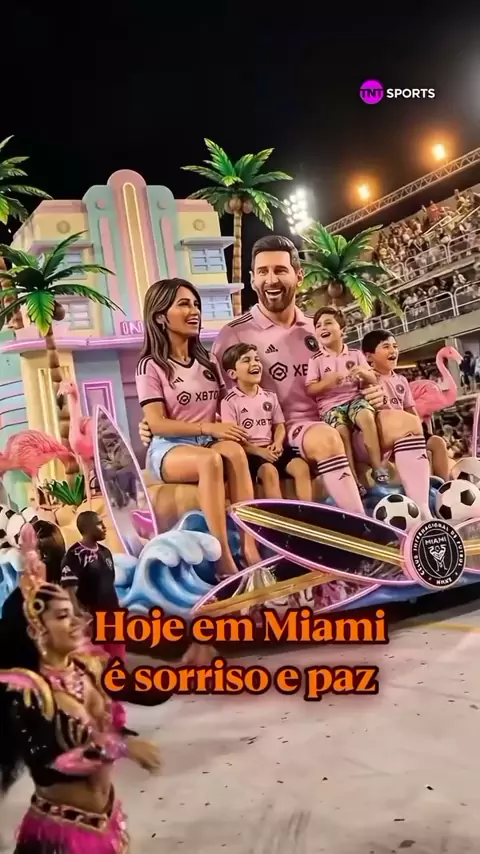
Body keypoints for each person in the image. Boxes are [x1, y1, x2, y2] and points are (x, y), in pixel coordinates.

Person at [139, 236, 386, 511]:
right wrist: (158, 423)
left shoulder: (319, 327)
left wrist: (375, 391)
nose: (271, 280)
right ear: (252, 279)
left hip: (339, 418)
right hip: (290, 435)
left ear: (298, 275)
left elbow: (353, 375)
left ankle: (411, 510)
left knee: (400, 425)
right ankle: (356, 522)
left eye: (280, 270)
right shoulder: (232, 335)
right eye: (262, 272)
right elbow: (220, 402)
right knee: (327, 439)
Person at [0, 523, 161, 853]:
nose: (78, 621)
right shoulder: (29, 693)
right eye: (63, 616)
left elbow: (141, 689)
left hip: (105, 825)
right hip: (58, 838)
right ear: (36, 631)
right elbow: (56, 761)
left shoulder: (87, 667)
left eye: (74, 613)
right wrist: (122, 747)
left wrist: (186, 669)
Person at [135, 277, 261, 579]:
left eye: (195, 305)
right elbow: (157, 423)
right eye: (183, 304)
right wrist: (208, 428)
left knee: (234, 453)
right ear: (160, 316)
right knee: (210, 461)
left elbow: (225, 407)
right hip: (169, 448)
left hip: (206, 440)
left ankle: (251, 547)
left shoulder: (209, 361)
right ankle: (223, 559)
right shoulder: (150, 365)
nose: (194, 311)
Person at [305, 307, 389, 492]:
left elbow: (373, 378)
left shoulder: (355, 354)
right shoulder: (316, 360)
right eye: (318, 325)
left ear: (342, 330)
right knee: (341, 431)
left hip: (355, 399)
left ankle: (377, 466)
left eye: (328, 323)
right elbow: (310, 389)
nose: (322, 327)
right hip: (331, 406)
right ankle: (353, 480)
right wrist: (327, 382)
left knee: (366, 416)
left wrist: (364, 374)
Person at [220, 342, 313, 500]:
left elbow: (279, 425)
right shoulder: (229, 402)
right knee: (269, 472)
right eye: (246, 360)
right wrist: (259, 451)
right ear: (232, 374)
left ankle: (306, 511)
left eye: (257, 359)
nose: (254, 363)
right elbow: (233, 439)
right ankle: (278, 513)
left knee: (301, 467)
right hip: (251, 453)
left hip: (271, 448)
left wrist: (277, 443)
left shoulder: (270, 396)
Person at [361, 330, 433, 518]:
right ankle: (421, 508)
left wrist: (421, 433)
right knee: (406, 423)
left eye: (395, 346)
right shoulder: (366, 378)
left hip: (404, 434)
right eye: (386, 347)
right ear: (369, 356)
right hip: (379, 434)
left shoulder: (401, 380)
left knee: (437, 444)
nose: (393, 350)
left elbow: (411, 411)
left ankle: (433, 488)